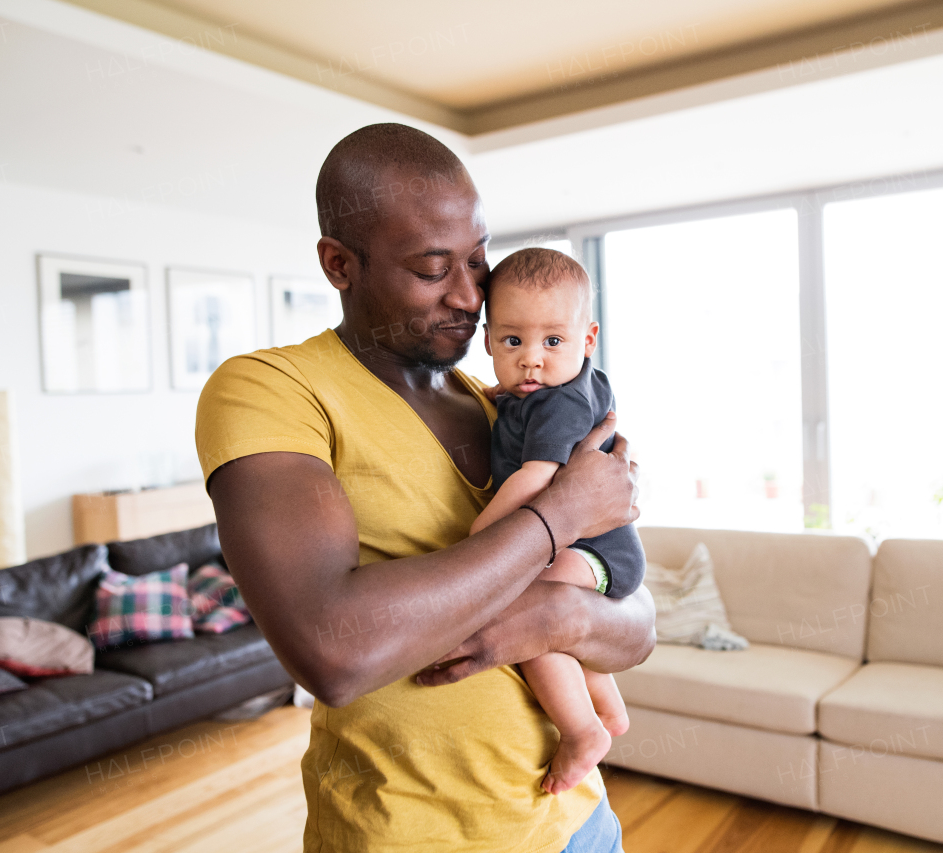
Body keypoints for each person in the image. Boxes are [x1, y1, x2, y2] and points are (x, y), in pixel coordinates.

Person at [195, 123, 655, 853]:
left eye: (478, 259)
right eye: (433, 268)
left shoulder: (502, 406)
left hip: (579, 822)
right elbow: (335, 651)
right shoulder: (271, 390)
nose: (472, 295)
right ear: (340, 264)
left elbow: (637, 628)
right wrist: (558, 516)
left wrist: (548, 617)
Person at [470, 247, 646, 795]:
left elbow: (534, 479)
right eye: (512, 341)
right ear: (488, 342)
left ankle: (580, 730)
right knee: (556, 616)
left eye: (552, 341)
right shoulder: (563, 387)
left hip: (597, 550)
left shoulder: (559, 404)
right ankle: (609, 710)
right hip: (598, 547)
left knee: (529, 609)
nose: (531, 360)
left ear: (587, 340)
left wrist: (477, 538)